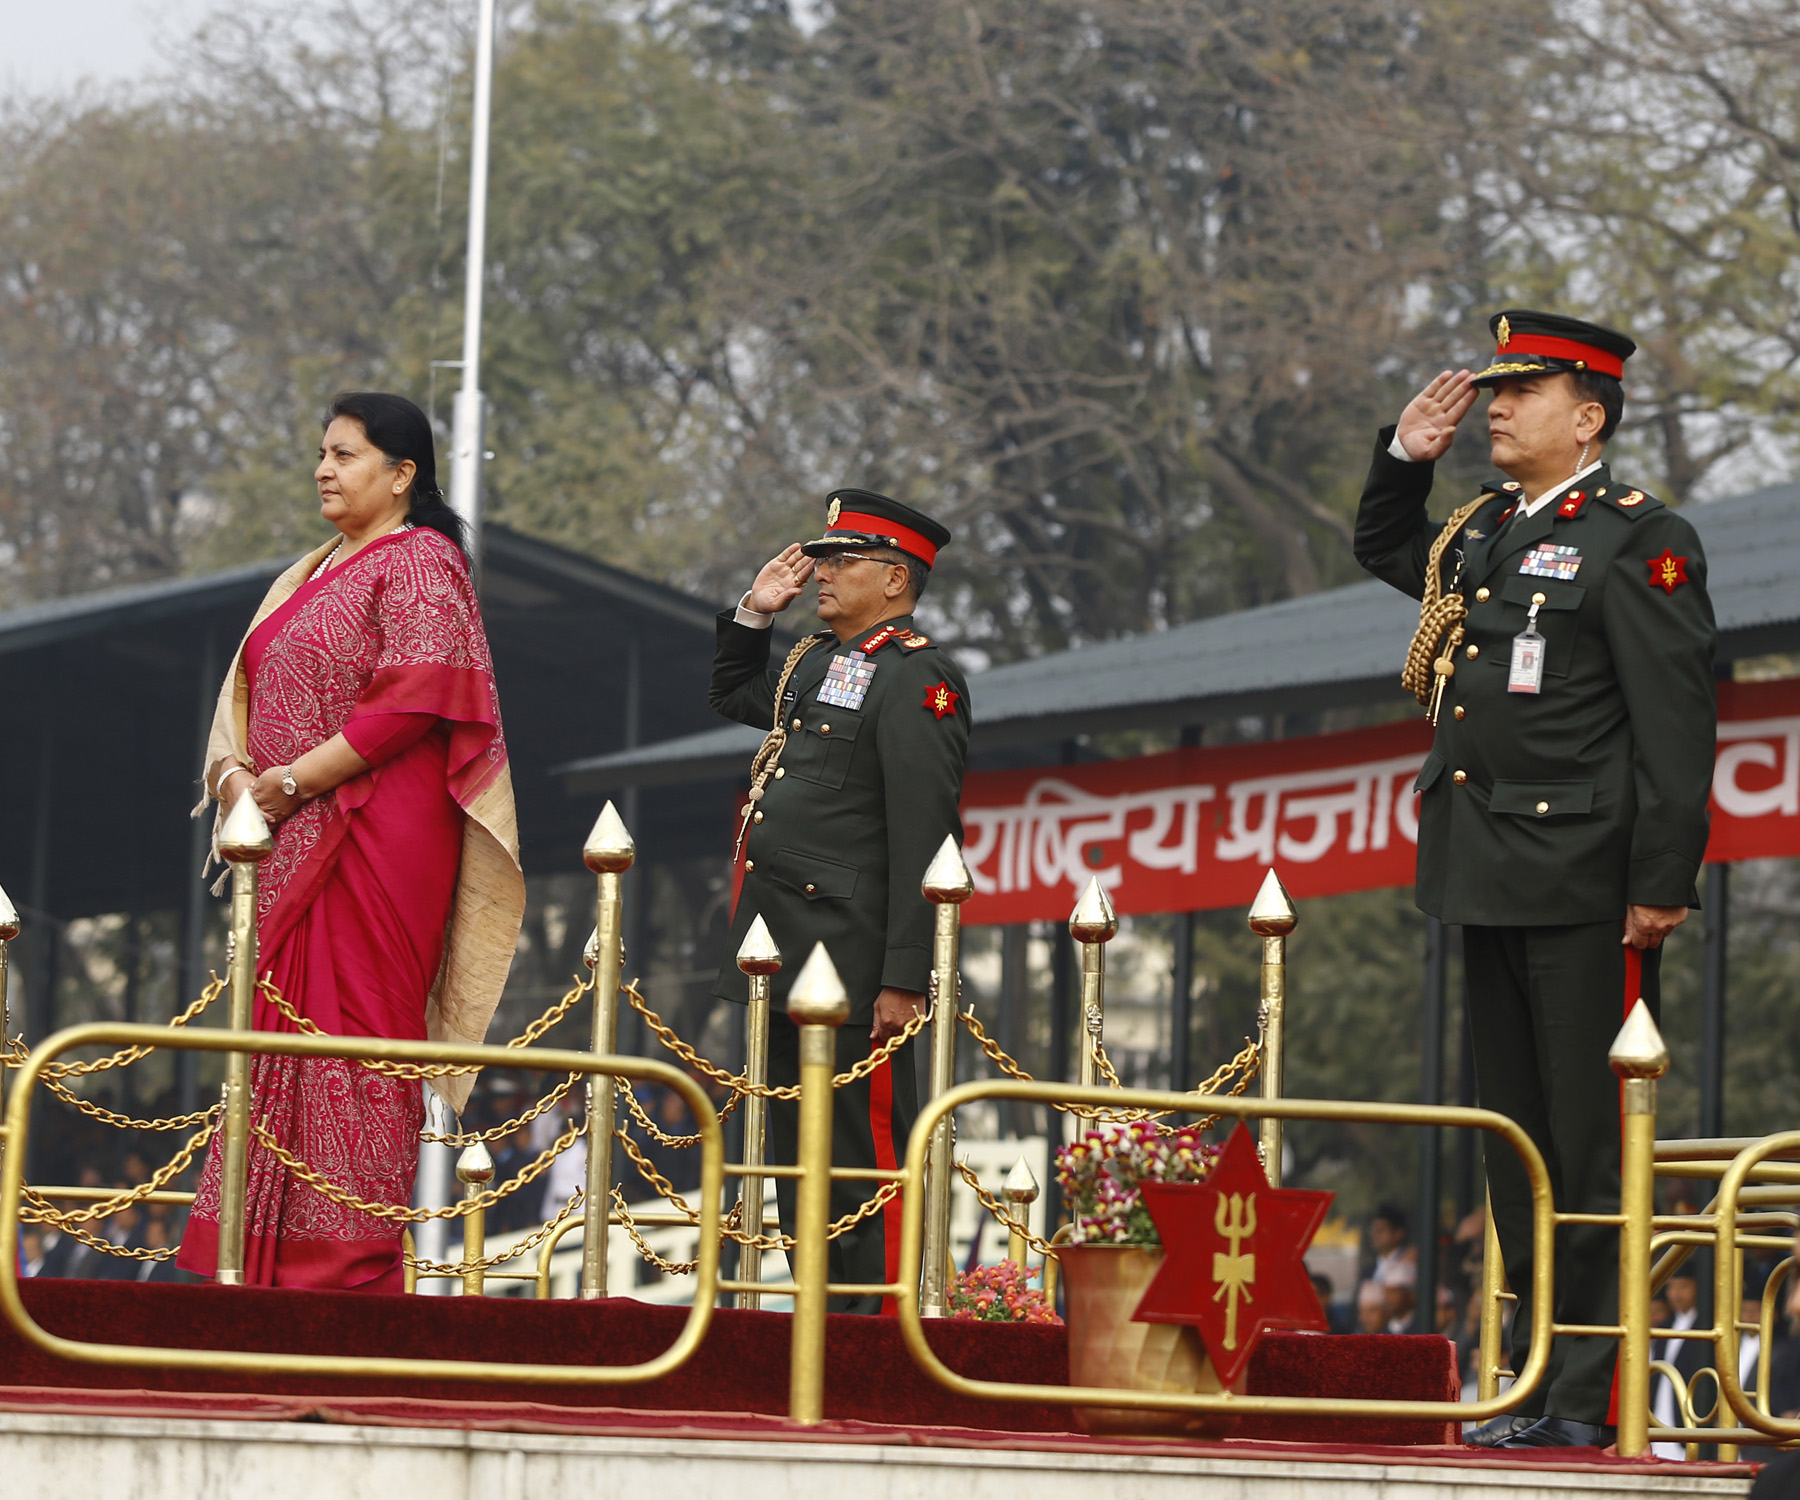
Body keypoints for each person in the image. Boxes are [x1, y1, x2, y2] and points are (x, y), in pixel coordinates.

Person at [1355, 311, 1717, 1448]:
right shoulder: (1488, 531)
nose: (1497, 408)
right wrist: (1404, 460)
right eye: (1495, 391)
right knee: (1518, 1153)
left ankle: (1589, 1401)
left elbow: (1677, 725)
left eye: (1525, 392)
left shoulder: (1637, 539)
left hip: (1586, 887)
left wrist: (1661, 883)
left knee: (1591, 1151)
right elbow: (1385, 552)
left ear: (1589, 415)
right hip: (1483, 869)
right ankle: (1535, 1383)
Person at [175, 391, 525, 1291]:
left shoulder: (422, 561)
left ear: (403, 475)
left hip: (376, 833)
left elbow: (415, 698)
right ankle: (249, 1266)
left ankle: (346, 1270)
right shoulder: (310, 572)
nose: (325, 470)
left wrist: (287, 785)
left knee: (357, 1038)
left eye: (347, 455)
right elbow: (243, 706)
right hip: (287, 840)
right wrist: (236, 783)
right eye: (321, 454)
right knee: (275, 1037)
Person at [710, 489, 969, 1313]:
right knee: (799, 1164)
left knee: (862, 1158)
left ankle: (876, 1330)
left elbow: (927, 837)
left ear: (896, 578)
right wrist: (755, 612)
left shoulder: (918, 676)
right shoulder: (814, 659)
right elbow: (732, 696)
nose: (820, 573)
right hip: (783, 951)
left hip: (856, 966)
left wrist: (904, 973)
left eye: (841, 561)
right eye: (820, 558)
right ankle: (823, 1320)